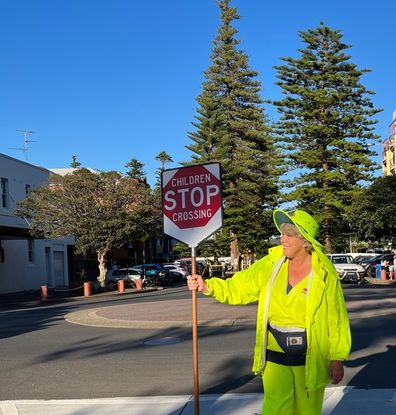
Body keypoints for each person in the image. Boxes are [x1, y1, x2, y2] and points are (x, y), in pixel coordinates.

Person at [187, 209, 351, 415]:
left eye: (289, 234)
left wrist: (337, 358)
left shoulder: (325, 274)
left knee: (307, 411)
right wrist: (207, 286)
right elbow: (240, 287)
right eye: (282, 234)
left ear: (305, 241)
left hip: (310, 357)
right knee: (275, 409)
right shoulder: (271, 264)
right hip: (274, 354)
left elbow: (336, 318)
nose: (282, 240)